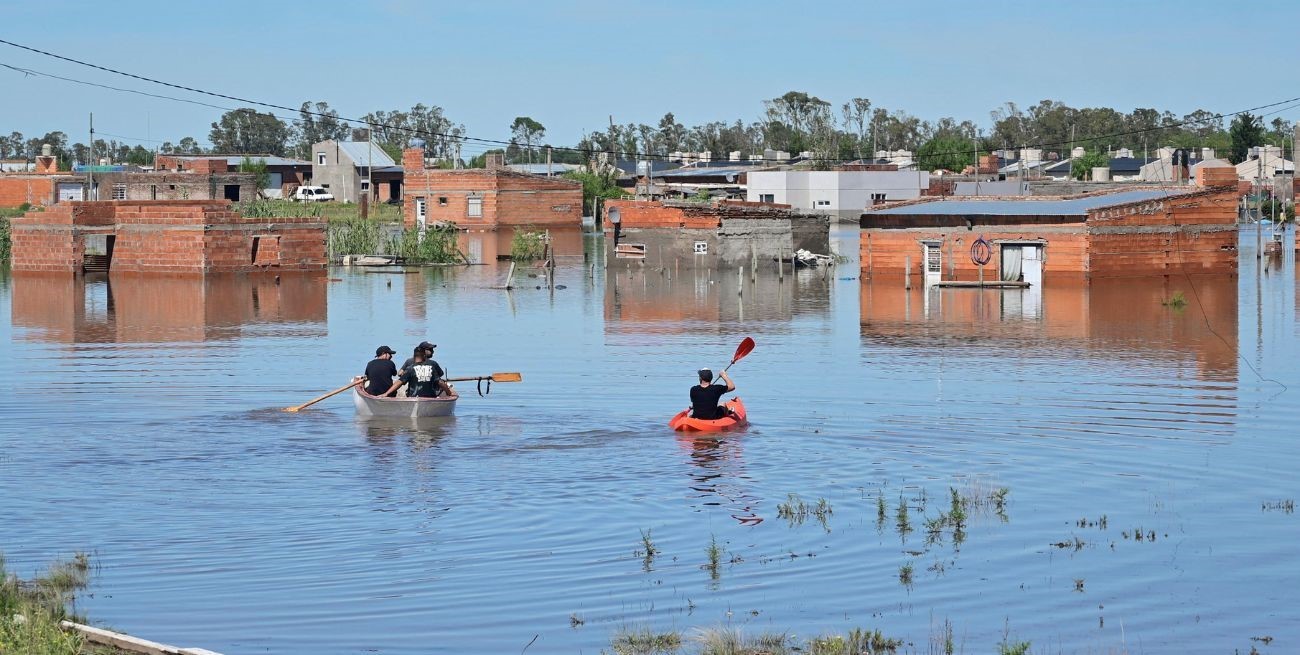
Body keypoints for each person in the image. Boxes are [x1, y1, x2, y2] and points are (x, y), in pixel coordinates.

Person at [385, 346, 452, 398]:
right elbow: (440, 382)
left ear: (414, 356)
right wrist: (449, 393)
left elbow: (399, 382)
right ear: (424, 356)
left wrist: (386, 393)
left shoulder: (410, 368)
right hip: (430, 398)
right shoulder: (431, 368)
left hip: (413, 397)